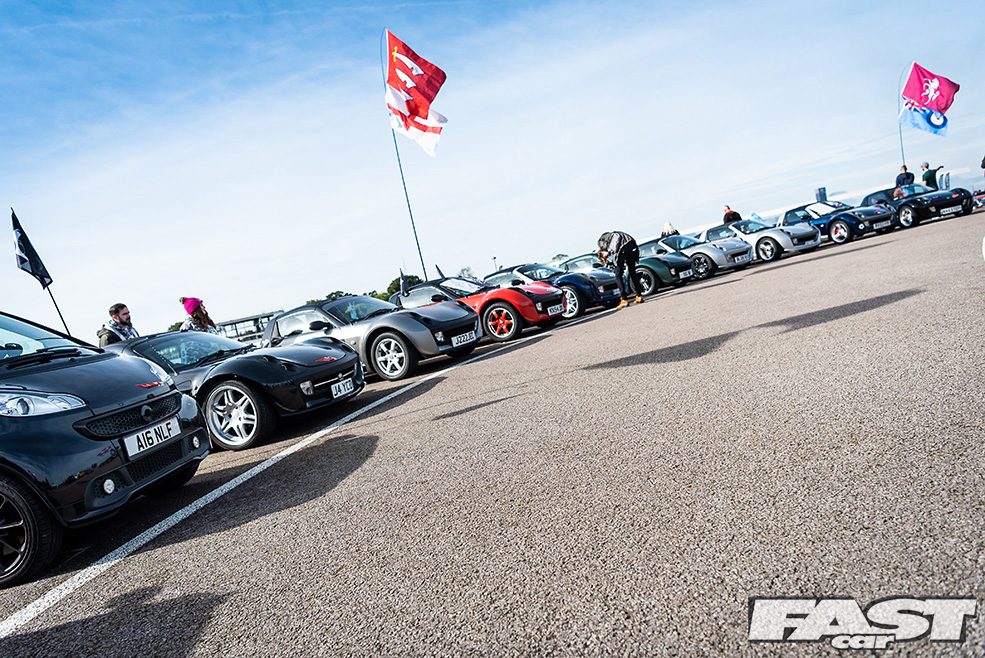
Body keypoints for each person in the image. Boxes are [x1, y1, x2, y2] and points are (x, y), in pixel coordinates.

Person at [597, 231, 643, 308]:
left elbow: (617, 252)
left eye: (605, 256)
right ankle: (639, 296)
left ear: (601, 251)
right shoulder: (612, 239)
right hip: (631, 245)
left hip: (623, 248)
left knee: (618, 275)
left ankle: (624, 299)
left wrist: (618, 264)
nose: (608, 256)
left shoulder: (603, 245)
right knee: (632, 272)